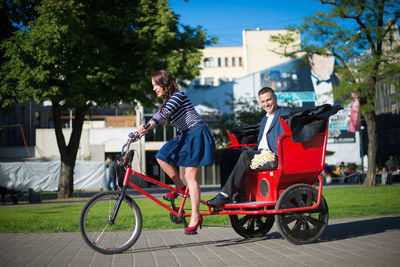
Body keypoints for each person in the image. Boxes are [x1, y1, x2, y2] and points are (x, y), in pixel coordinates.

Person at [135, 70, 215, 235]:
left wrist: (143, 128)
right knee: (162, 157)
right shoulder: (168, 100)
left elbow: (163, 114)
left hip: (196, 133)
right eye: (153, 86)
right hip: (186, 135)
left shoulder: (178, 95)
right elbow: (159, 114)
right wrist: (142, 131)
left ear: (164, 83)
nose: (154, 88)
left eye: (156, 85)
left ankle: (195, 216)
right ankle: (180, 187)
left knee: (191, 176)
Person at [207, 87, 290, 206]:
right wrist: (252, 149)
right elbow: (262, 142)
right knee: (227, 153)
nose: (266, 104)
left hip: (273, 156)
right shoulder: (264, 120)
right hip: (260, 154)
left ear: (275, 99)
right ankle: (226, 193)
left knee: (246, 156)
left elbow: (287, 135)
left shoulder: (285, 114)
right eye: (263, 101)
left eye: (269, 100)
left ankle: (226, 194)